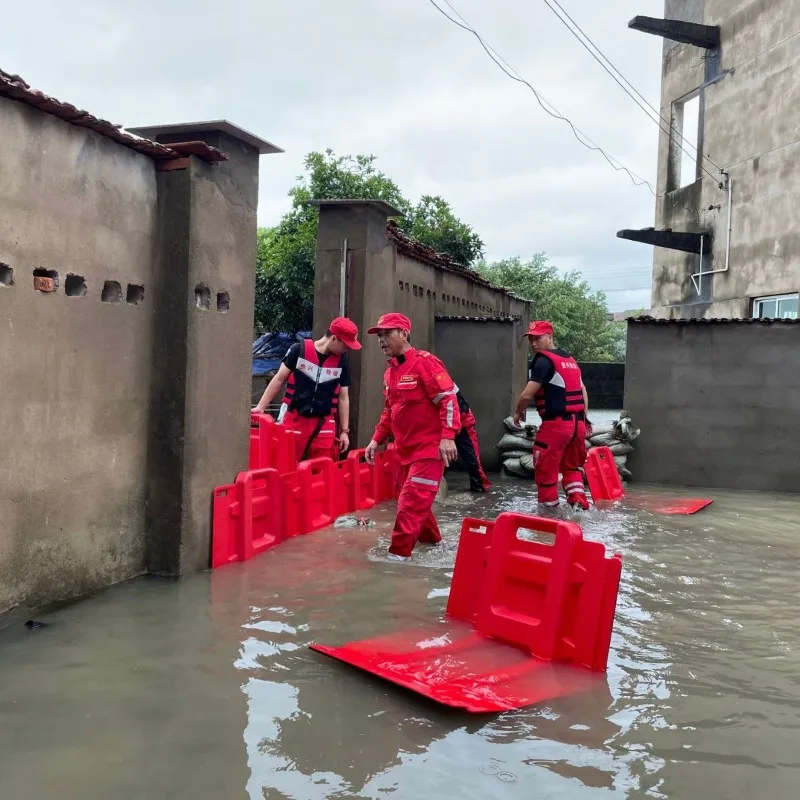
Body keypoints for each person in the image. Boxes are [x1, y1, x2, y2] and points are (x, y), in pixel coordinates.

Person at [364, 313, 461, 561]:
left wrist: (448, 436)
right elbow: (389, 410)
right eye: (379, 335)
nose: (381, 340)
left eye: (387, 333)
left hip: (429, 450)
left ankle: (397, 558)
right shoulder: (390, 372)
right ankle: (434, 544)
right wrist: (376, 439)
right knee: (411, 501)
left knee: (410, 503)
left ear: (404, 333)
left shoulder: (426, 363)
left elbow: (448, 400)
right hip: (404, 451)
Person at [252, 317, 361, 462]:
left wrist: (345, 431)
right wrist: (261, 407)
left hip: (324, 423)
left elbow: (343, 397)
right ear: (334, 338)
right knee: (287, 462)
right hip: (296, 419)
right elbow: (279, 379)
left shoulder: (342, 361)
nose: (346, 349)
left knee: (322, 467)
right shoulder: (298, 350)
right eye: (345, 345)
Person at [513, 320, 591, 510]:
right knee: (572, 468)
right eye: (530, 339)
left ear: (549, 337)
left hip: (556, 426)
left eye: (538, 338)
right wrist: (584, 418)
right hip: (578, 425)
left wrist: (518, 412)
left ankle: (548, 515)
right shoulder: (570, 360)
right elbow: (583, 391)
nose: (533, 343)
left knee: (545, 471)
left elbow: (527, 395)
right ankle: (578, 506)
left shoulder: (543, 361)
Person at [452, 389, 491, 493]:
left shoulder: (443, 385)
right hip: (446, 424)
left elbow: (457, 408)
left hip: (463, 424)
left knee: (472, 460)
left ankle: (479, 486)